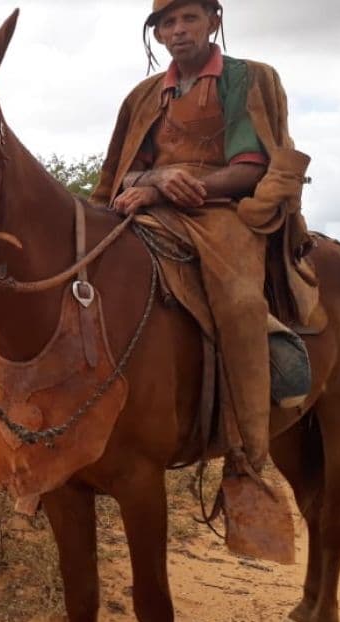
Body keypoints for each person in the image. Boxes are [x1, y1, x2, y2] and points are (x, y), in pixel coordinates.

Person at [90, 0, 314, 506]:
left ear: (214, 21)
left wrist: (171, 185)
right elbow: (124, 171)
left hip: (224, 210)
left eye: (189, 18)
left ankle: (247, 457)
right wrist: (153, 181)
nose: (178, 30)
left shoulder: (246, 78)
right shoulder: (145, 94)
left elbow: (252, 166)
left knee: (239, 302)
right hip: (148, 206)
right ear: (158, 34)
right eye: (167, 23)